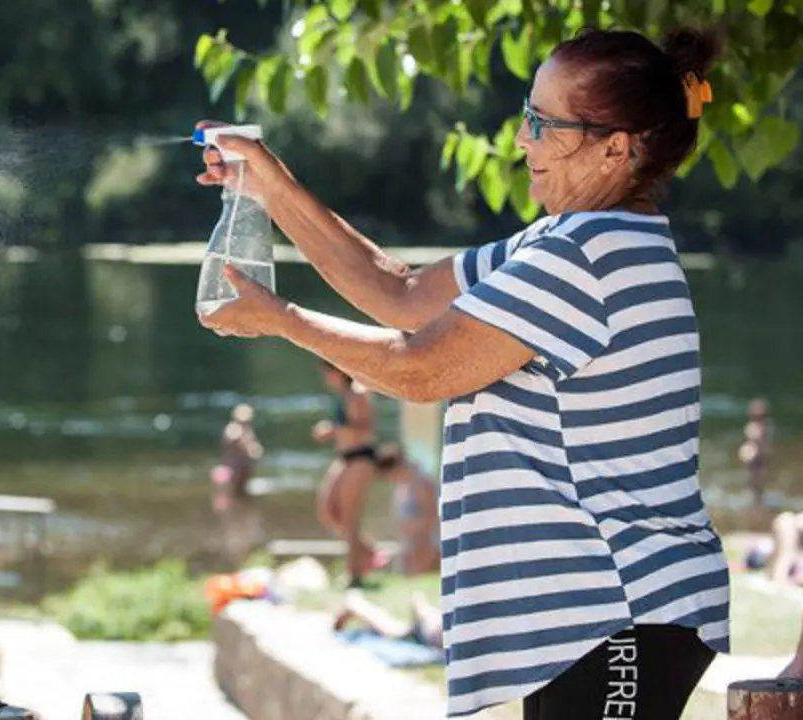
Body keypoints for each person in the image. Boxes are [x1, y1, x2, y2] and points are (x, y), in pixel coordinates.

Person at [194, 26, 729, 720]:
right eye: (524, 117)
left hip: (619, 609)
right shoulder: (567, 238)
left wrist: (284, 321)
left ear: (617, 147)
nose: (520, 141)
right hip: (604, 613)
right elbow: (403, 292)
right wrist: (269, 186)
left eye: (542, 124)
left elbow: (420, 371)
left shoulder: (586, 255)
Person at [312, 360, 385, 588]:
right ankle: (371, 553)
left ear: (337, 371)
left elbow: (366, 428)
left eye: (327, 373)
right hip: (344, 457)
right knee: (328, 511)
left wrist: (334, 430)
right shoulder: (344, 394)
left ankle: (354, 575)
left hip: (360, 457)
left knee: (349, 518)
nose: (325, 378)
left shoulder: (358, 392)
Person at [210, 404, 266, 567]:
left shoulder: (238, 430)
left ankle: (240, 524)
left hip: (238, 472)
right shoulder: (236, 431)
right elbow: (252, 449)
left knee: (238, 503)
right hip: (235, 473)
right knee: (236, 501)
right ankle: (239, 525)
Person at [375, 444, 440, 576]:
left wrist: (423, 552)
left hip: (426, 546)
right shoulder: (401, 486)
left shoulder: (422, 484)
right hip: (409, 546)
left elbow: (430, 518)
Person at [739, 398, 773, 507]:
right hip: (755, 458)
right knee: (756, 479)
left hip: (757, 457)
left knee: (757, 479)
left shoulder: (758, 427)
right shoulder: (755, 428)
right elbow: (755, 443)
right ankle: (756, 500)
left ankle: (757, 499)